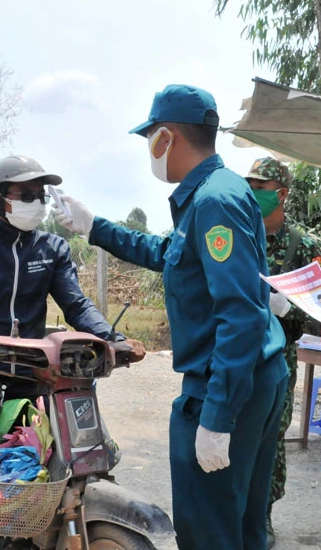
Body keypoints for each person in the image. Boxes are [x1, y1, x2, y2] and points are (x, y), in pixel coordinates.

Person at [55, 84, 288, 550]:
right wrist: (95, 226)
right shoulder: (217, 192)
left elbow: (238, 316)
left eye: (150, 139)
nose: (150, 150)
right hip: (252, 375)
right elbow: (168, 253)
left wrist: (218, 416)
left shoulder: (213, 201)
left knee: (210, 530)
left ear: (166, 138)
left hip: (224, 385)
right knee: (241, 525)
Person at [0, 155, 145, 550]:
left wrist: (113, 339)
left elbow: (76, 304)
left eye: (40, 194)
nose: (38, 202)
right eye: (26, 194)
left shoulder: (52, 248)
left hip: (33, 372)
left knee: (69, 453)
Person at [245, 156, 321, 549]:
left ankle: (264, 514)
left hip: (280, 357)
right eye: (250, 185)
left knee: (271, 437)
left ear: (281, 194)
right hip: (238, 351)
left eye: (259, 187)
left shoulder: (304, 246)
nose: (252, 193)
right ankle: (237, 512)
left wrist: (288, 307)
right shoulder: (239, 236)